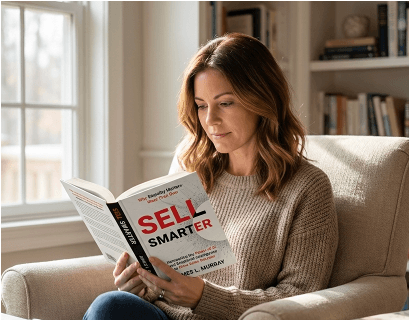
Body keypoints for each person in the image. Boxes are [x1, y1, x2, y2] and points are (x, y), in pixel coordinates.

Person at [83, 32, 338, 320]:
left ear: (262, 99)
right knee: (112, 305)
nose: (210, 120)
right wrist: (143, 284)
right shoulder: (192, 167)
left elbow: (300, 296)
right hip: (163, 316)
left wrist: (204, 297)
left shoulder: (306, 187)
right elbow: (170, 273)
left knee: (109, 308)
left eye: (226, 103)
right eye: (202, 105)